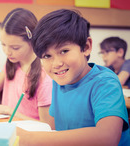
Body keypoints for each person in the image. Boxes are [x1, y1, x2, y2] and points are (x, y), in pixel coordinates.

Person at [17, 9, 130, 145]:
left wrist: (31, 138)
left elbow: (108, 137)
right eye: (47, 56)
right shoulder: (59, 81)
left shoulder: (105, 82)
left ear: (86, 47)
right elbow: (53, 129)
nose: (57, 64)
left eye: (64, 51)